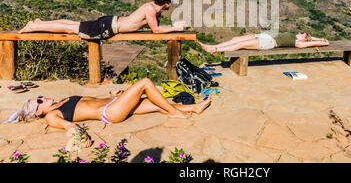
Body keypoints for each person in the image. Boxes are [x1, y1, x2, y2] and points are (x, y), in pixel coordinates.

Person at [3, 78, 211, 148]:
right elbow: (70, 126)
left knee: (153, 103)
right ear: (39, 113)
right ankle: (176, 113)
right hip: (111, 112)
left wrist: (113, 94)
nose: (43, 98)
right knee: (145, 83)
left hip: (112, 102)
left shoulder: (60, 102)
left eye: (39, 96)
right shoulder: (51, 116)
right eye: (39, 101)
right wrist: (81, 139)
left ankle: (194, 107)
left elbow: (89, 101)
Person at [18, 0, 186, 40]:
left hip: (111, 22)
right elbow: (156, 31)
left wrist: (172, 27)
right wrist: (174, 28)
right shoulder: (150, 10)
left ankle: (40, 23)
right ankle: (34, 26)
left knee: (72, 23)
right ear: (167, 3)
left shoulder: (151, 8)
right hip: (108, 27)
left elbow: (155, 27)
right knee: (71, 28)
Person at [198, 31, 330, 54]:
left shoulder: (299, 43)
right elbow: (312, 39)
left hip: (269, 42)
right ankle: (213, 46)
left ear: (303, 39)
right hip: (264, 36)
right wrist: (319, 38)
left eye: (303, 35)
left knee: (240, 45)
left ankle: (214, 50)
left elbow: (309, 43)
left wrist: (322, 43)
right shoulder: (298, 38)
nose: (301, 33)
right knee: (235, 39)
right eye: (302, 32)